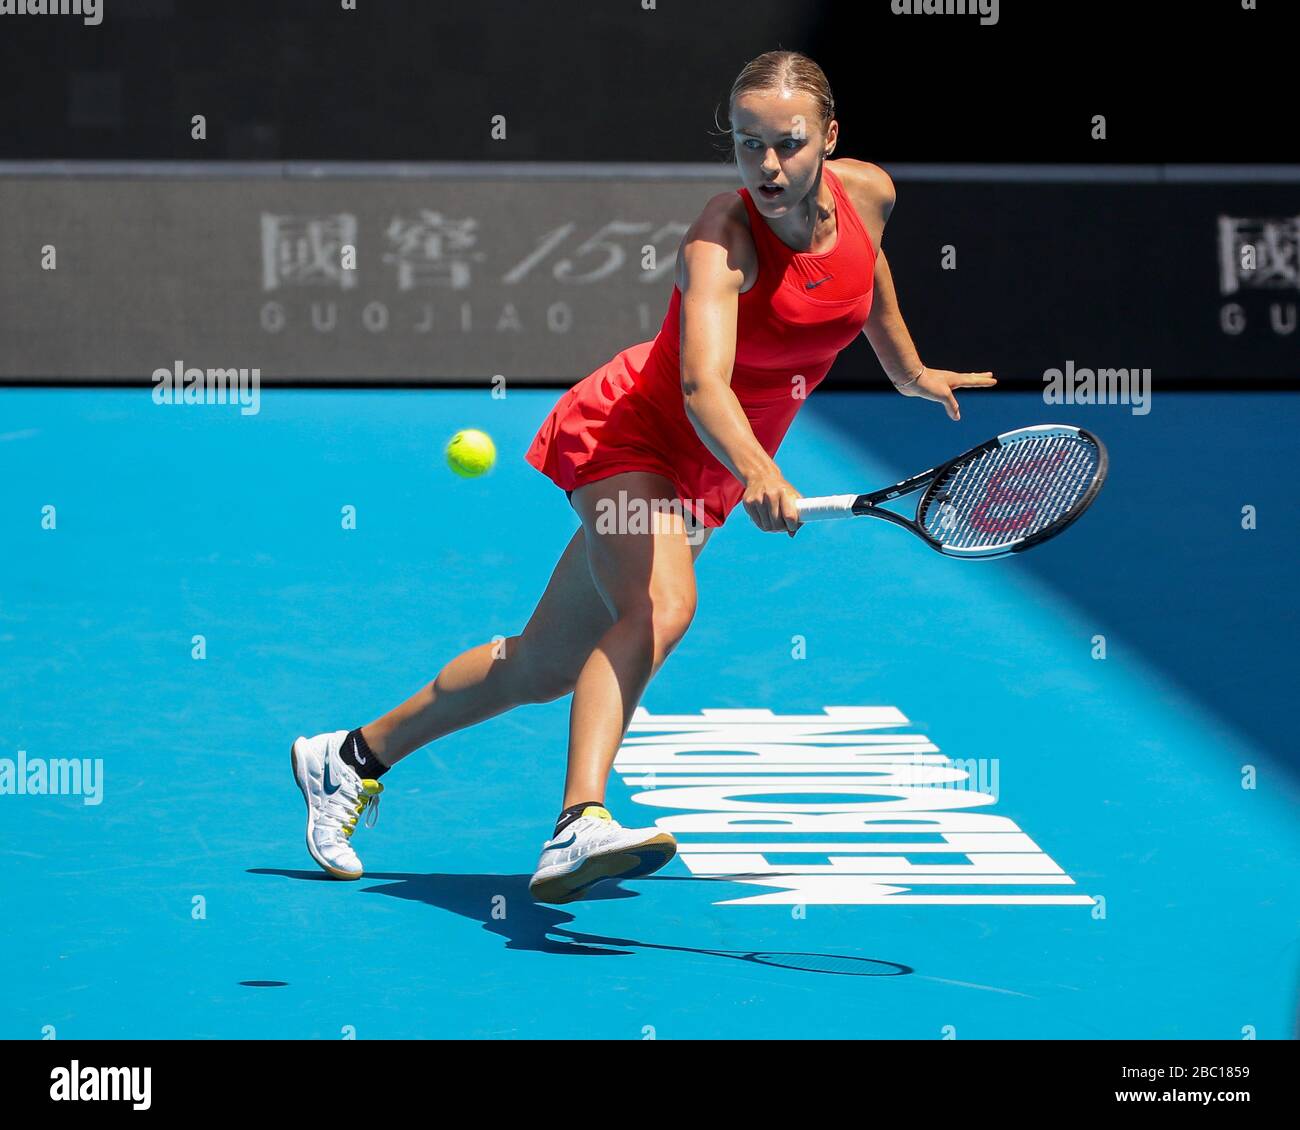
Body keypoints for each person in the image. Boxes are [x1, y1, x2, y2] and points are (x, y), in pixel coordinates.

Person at [291, 49, 995, 903]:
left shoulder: (869, 192)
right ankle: (575, 822)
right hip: (634, 436)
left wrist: (911, 371)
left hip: (709, 470)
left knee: (543, 667)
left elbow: (866, 273)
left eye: (789, 144)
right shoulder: (720, 242)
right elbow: (702, 384)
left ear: (830, 138)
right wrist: (760, 468)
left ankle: (350, 756)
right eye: (746, 145)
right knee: (659, 607)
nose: (767, 167)